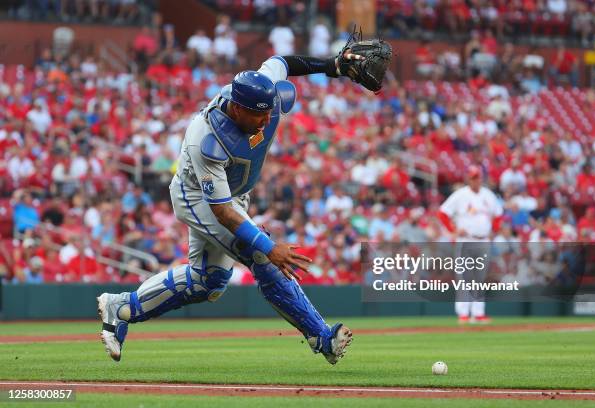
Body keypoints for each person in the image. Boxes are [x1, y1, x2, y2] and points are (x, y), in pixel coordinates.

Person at [96, 52, 374, 364]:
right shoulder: (207, 138)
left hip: (235, 194)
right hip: (200, 197)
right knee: (261, 256)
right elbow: (222, 212)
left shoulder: (261, 89)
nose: (267, 120)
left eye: (269, 112)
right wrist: (268, 246)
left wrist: (332, 66)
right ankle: (321, 337)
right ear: (238, 108)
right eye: (259, 115)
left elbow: (282, 61)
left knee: (209, 282)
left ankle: (122, 308)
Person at [438, 165, 503, 324]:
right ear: (468, 179)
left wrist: (493, 230)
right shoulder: (460, 195)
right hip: (466, 240)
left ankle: (478, 313)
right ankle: (463, 313)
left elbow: (499, 215)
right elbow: (442, 213)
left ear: (481, 178)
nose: (475, 180)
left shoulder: (488, 195)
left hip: (483, 240)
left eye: (478, 177)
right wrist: (453, 229)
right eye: (473, 177)